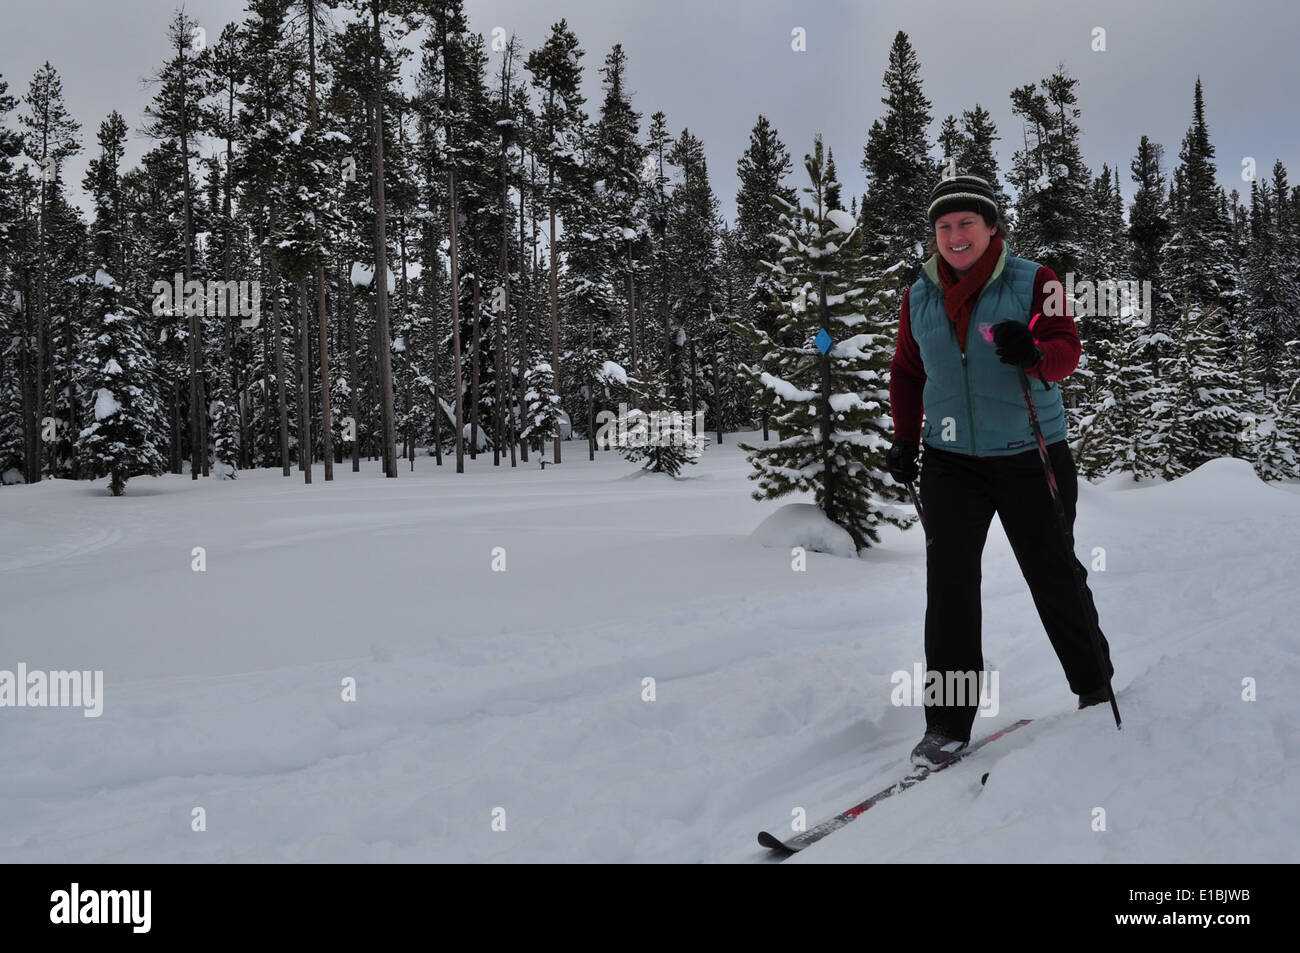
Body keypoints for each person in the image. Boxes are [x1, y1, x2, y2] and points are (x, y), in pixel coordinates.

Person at [885, 174, 1115, 769]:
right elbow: (908, 374)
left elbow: (1067, 349)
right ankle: (946, 726)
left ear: (992, 229)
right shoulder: (920, 295)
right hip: (950, 462)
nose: (955, 236)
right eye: (944, 226)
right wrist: (906, 440)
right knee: (951, 590)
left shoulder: (1036, 281)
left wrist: (1035, 355)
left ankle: (1095, 688)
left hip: (1028, 452)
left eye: (967, 224)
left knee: (1053, 573)